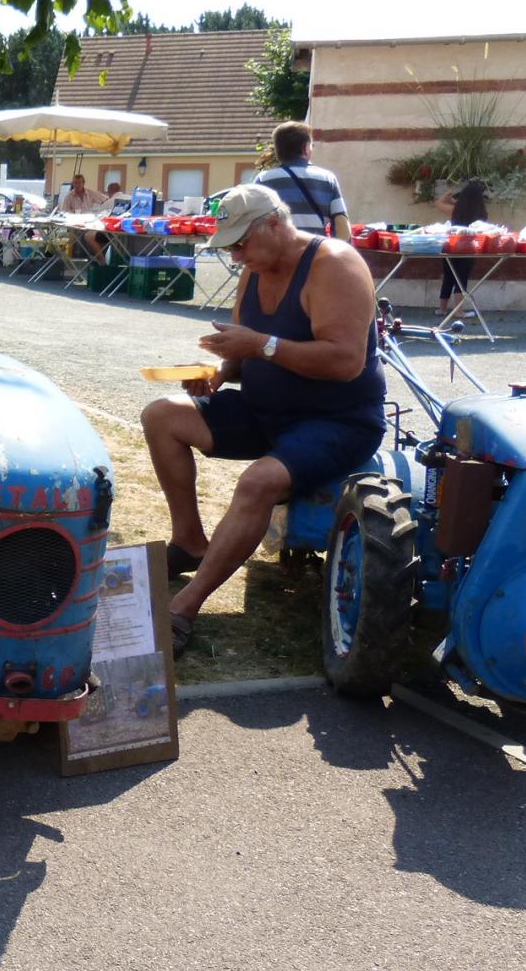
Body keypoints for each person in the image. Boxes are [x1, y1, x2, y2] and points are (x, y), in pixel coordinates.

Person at [139, 183, 386, 656]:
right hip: (265, 409)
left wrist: (257, 346)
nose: (234, 257)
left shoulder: (334, 264)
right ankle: (189, 542)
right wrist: (217, 374)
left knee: (257, 482)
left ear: (275, 224)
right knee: (162, 416)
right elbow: (249, 351)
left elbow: (345, 362)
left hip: (337, 420)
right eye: (228, 247)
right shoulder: (256, 267)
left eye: (239, 244)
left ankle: (185, 608)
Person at [254, 121, 351, 240]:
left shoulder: (264, 179)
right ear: (305, 148)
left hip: (277, 254)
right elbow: (341, 222)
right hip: (315, 253)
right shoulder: (327, 178)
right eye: (311, 145)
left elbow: (254, 221)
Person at [434, 177, 489, 318]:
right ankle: (459, 311)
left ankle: (442, 309)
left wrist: (448, 194)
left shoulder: (455, 210)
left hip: (451, 246)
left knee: (448, 277)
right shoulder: (481, 214)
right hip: (469, 248)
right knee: (461, 278)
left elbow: (438, 203)